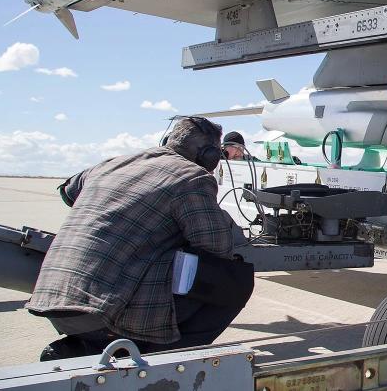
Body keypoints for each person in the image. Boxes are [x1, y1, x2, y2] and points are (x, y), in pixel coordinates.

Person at [27, 117, 253, 360]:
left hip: (52, 301)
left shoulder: (114, 164)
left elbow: (68, 191)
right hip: (104, 313)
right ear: (209, 155)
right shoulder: (192, 177)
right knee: (234, 280)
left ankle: (85, 349)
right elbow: (216, 246)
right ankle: (154, 358)